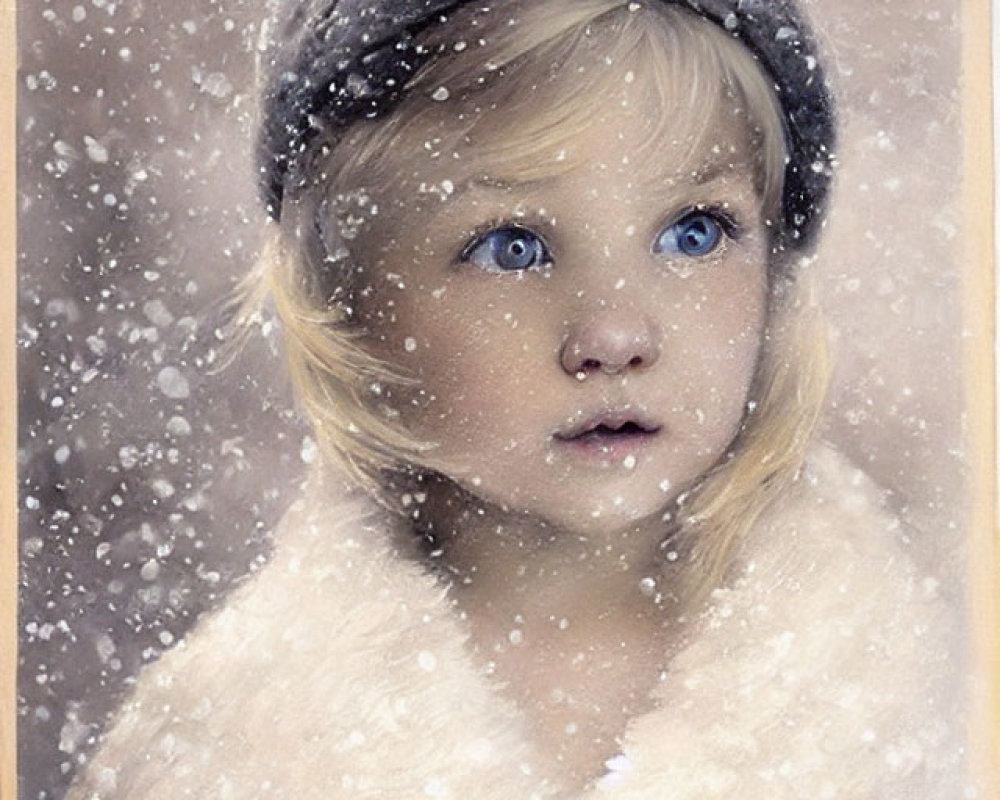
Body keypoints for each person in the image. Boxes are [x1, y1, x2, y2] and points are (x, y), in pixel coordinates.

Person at [68, 0, 968, 796]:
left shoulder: (929, 708)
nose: (616, 335)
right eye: (512, 247)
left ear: (774, 272)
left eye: (694, 232)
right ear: (349, 300)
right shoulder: (218, 752)